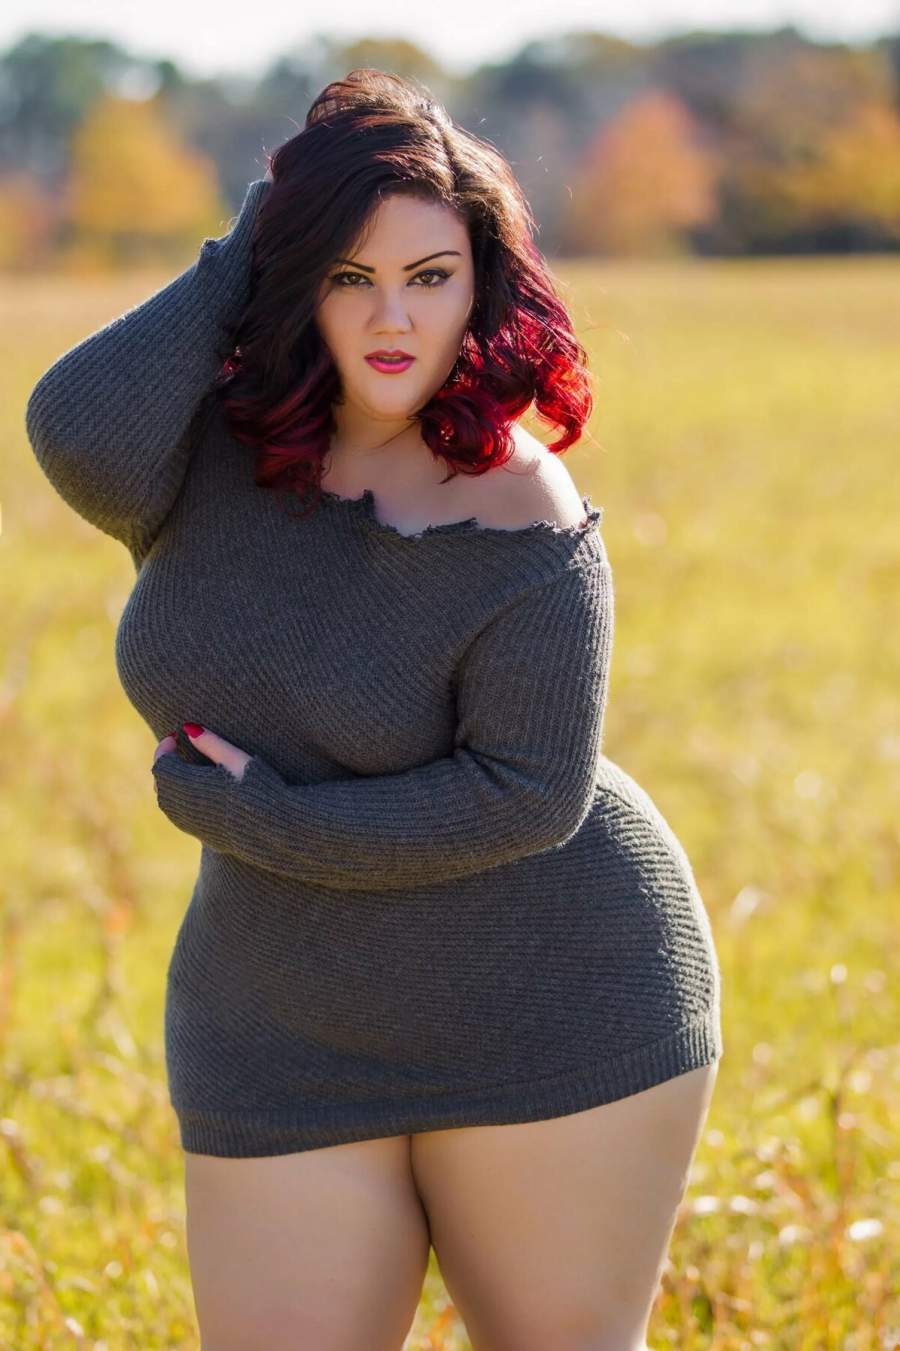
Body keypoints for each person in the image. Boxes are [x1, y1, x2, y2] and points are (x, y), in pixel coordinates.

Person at [25, 67, 723, 1351]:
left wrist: (270, 818)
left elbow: (528, 794)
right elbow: (72, 429)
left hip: (548, 994)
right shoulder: (213, 452)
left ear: (481, 288)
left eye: (430, 277)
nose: (392, 317)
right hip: (277, 1015)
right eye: (350, 276)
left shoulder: (522, 511)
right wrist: (262, 230)